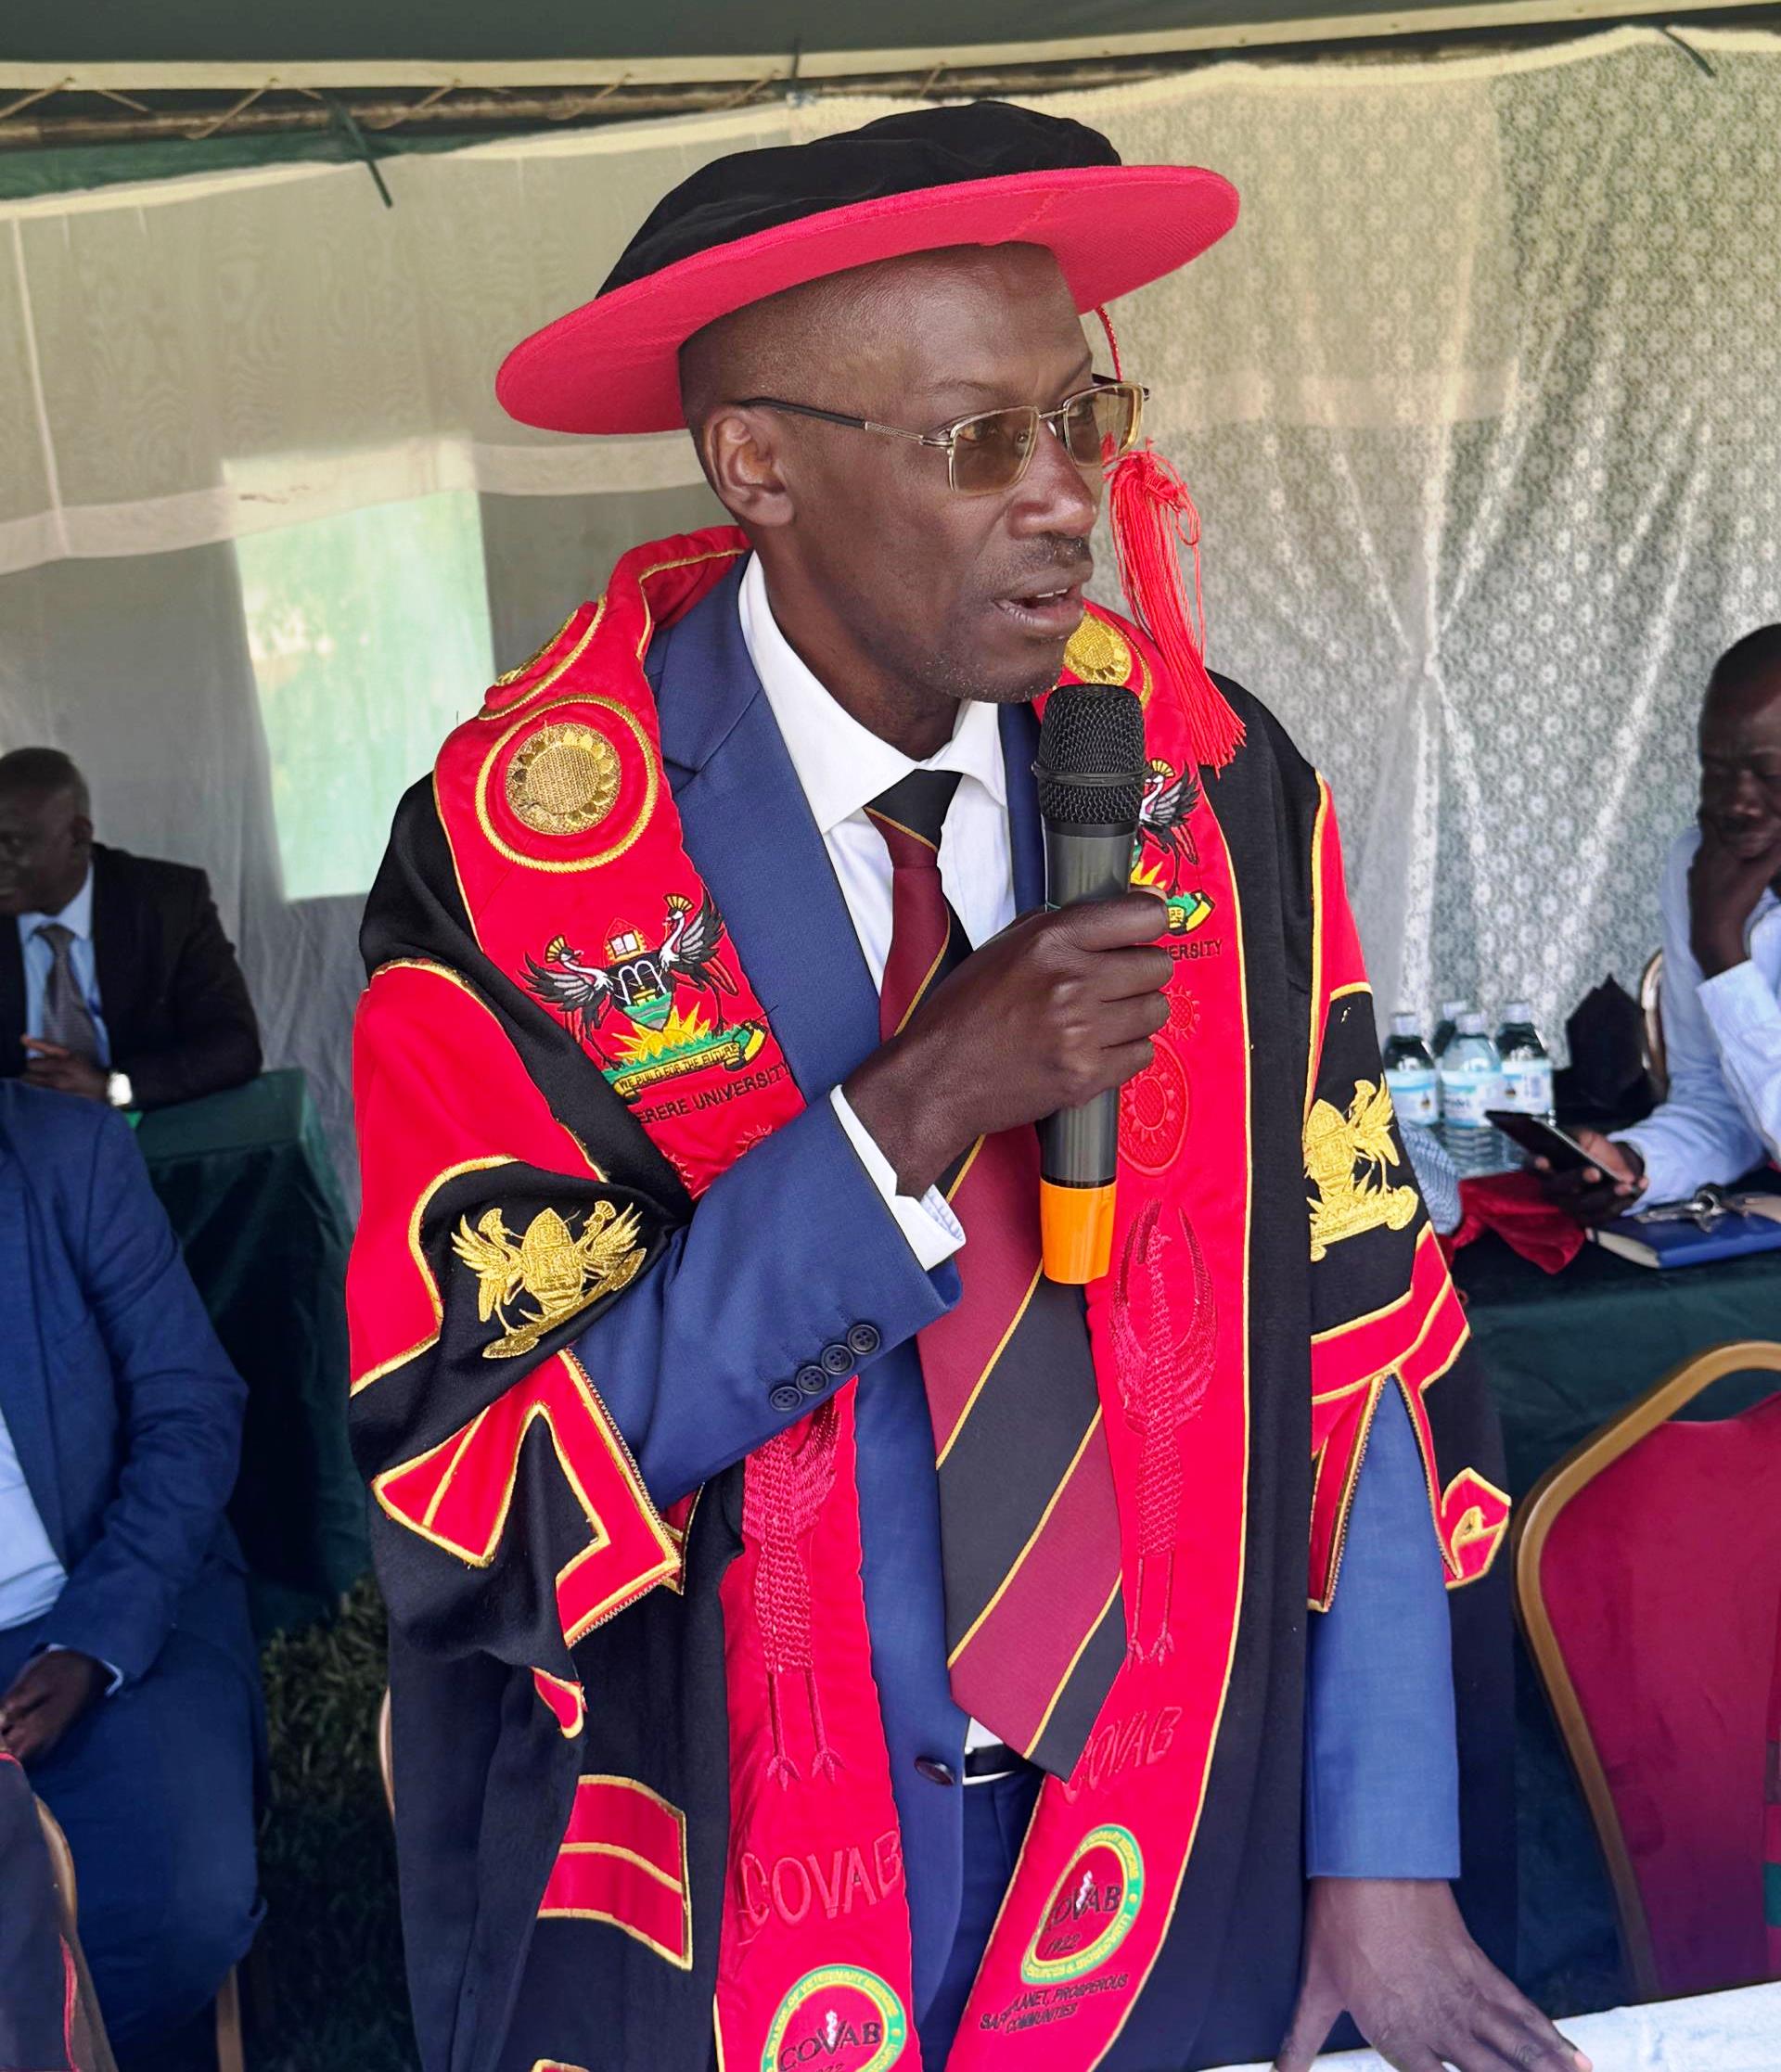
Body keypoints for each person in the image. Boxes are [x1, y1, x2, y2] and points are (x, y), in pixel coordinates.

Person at [350, 105, 1572, 2072]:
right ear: (757, 464)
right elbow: (474, 1484)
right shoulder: (521, 872)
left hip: (1186, 1841)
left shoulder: (1210, 787)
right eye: (978, 438)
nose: (1067, 494)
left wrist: (1384, 1851)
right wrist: (907, 1112)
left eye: (1080, 416)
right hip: (734, 1886)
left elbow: (1358, 1319)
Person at [0, 1078, 262, 2071]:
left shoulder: (66, 1155)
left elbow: (190, 1405)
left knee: (179, 1905)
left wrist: (93, 1639)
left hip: (111, 1604)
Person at [1547, 624, 1781, 1222]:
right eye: (1716, 770)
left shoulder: (1714, 898)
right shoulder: (1701, 864)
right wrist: (1636, 1162)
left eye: (1770, 775)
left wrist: (1721, 949)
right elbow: (1724, 1105)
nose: (1736, 802)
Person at [0, 748, 262, 1111]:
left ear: (78, 837)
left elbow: (234, 1047)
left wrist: (113, 1088)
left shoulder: (168, 905)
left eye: (13, 843)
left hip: (147, 1125)